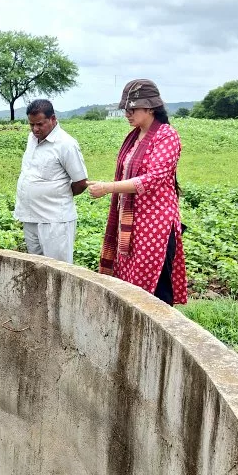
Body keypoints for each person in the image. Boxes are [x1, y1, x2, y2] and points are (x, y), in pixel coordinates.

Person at [89, 79, 187, 305]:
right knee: (132, 282)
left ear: (150, 107)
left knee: (157, 290)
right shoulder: (134, 136)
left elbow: (153, 179)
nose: (127, 114)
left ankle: (163, 336)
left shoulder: (166, 135)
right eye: (126, 109)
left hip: (156, 226)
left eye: (132, 109)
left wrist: (108, 188)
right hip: (132, 224)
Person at [13, 99, 89, 263]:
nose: (35, 129)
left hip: (55, 221)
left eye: (40, 124)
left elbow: (81, 182)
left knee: (59, 271)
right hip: (30, 217)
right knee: (36, 268)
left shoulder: (66, 144)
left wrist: (58, 195)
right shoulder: (31, 139)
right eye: (31, 124)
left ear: (53, 119)